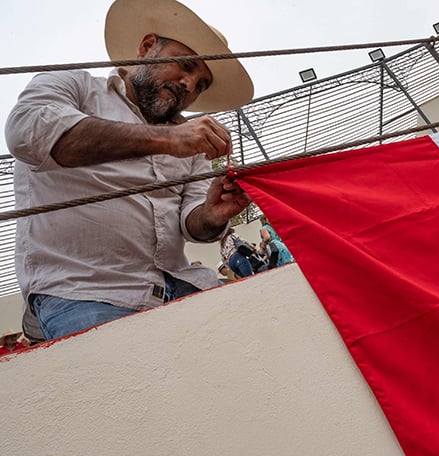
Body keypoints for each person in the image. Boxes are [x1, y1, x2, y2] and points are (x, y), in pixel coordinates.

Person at [5, 0, 255, 343]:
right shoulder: (74, 87)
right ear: (147, 47)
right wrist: (167, 140)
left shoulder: (189, 140)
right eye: (185, 66)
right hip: (82, 293)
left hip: (181, 285)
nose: (189, 85)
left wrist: (212, 213)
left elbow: (192, 224)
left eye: (201, 84)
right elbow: (29, 133)